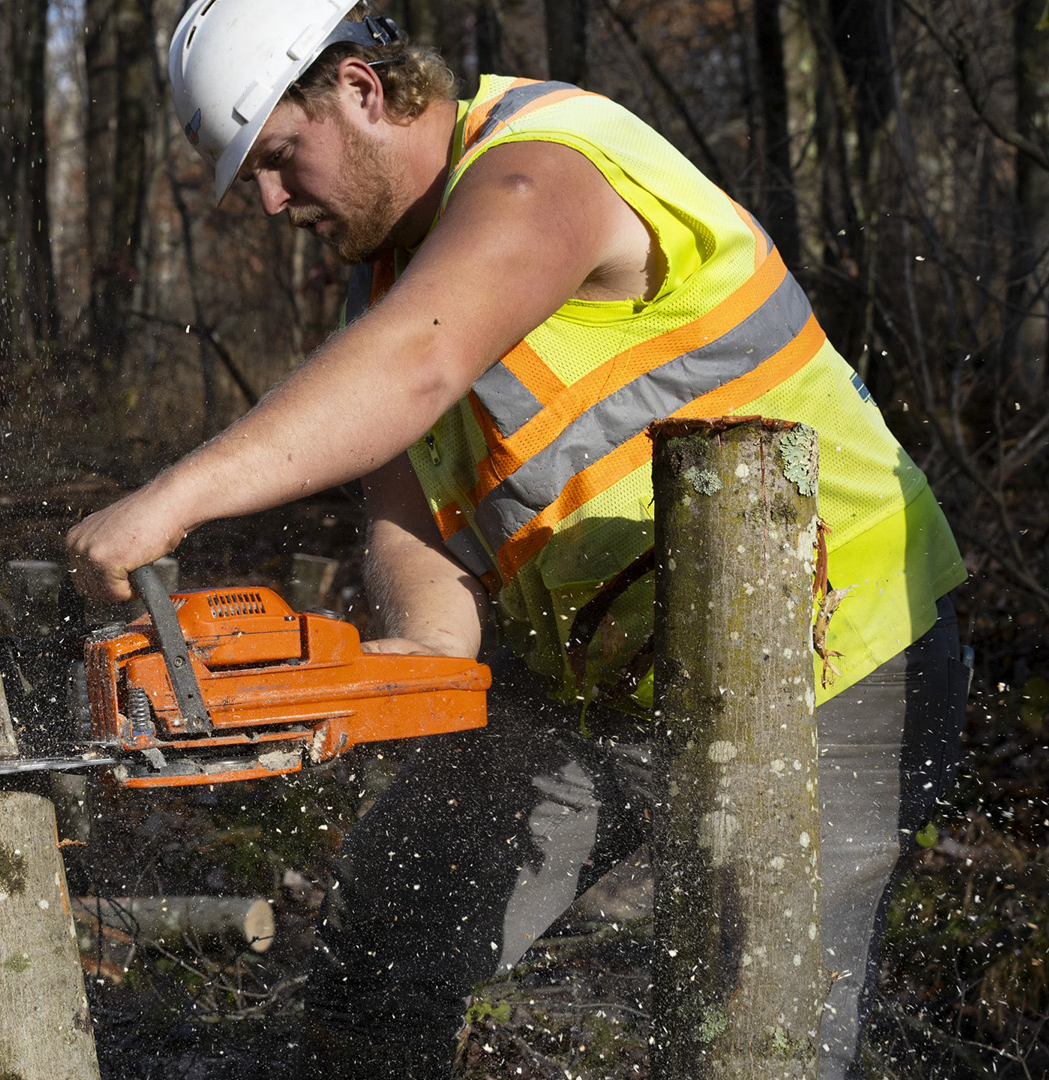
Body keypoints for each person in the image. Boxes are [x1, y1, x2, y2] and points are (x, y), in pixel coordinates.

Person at [63, 3, 970, 1077]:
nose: (268, 201)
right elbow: (407, 500)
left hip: (832, 652)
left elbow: (414, 370)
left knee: (755, 1022)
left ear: (360, 89)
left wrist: (176, 496)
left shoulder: (544, 171)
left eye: (277, 160)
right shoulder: (400, 268)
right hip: (618, 677)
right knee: (399, 918)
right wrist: (427, 650)